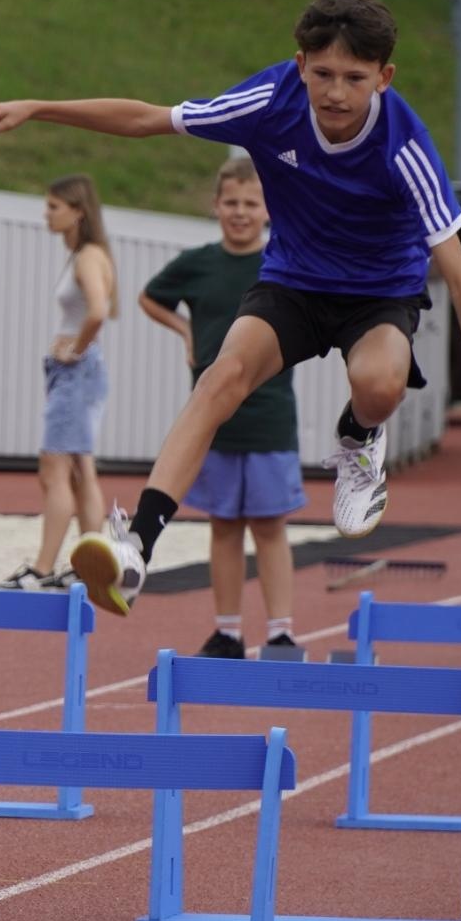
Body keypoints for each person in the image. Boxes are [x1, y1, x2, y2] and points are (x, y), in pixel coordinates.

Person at [0, 0, 461, 617]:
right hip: (293, 280)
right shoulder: (269, 101)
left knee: (380, 383)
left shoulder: (405, 145)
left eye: (355, 79)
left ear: (384, 78)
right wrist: (35, 108)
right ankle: (136, 547)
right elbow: (147, 119)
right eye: (323, 74)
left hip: (379, 291)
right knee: (219, 378)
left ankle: (359, 437)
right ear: (300, 64)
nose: (336, 93)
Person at [139, 158, 305, 657]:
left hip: (270, 417)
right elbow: (150, 297)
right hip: (212, 423)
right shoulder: (198, 263)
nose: (240, 212)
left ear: (268, 209)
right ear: (215, 206)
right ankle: (228, 631)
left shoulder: (283, 260)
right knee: (224, 526)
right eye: (231, 202)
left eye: (251, 203)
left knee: (270, 527)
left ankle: (280, 632)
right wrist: (185, 330)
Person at [0, 174, 116, 591]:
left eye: (54, 207)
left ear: (78, 211)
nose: (46, 214)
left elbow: (98, 311)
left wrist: (75, 350)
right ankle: (92, 563)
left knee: (55, 468)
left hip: (77, 373)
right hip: (79, 373)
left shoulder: (87, 256)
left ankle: (43, 567)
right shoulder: (88, 254)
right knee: (81, 469)